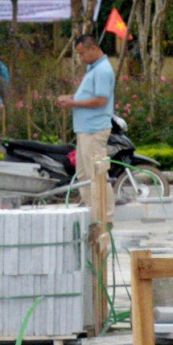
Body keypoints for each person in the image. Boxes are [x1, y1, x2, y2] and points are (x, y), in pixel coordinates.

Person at [57, 33, 115, 221]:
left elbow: (100, 100)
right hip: (84, 129)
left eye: (82, 54)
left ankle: (105, 217)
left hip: (94, 129)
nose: (81, 58)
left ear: (93, 48)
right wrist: (72, 98)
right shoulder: (93, 69)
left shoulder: (103, 70)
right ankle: (91, 212)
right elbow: (88, 95)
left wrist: (73, 104)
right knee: (83, 174)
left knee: (97, 174)